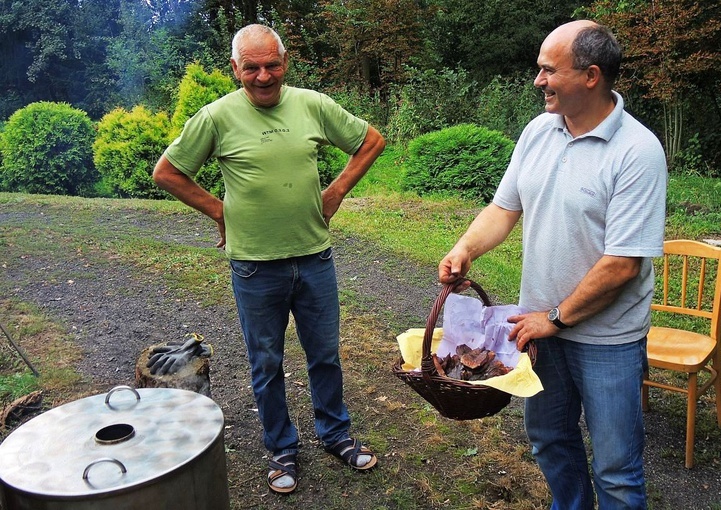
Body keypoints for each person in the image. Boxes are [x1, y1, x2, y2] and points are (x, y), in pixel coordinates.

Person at [438, 20, 667, 509]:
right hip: (537, 331)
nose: (538, 80)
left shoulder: (638, 151)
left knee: (617, 470)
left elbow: (623, 264)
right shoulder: (539, 131)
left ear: (591, 75)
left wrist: (555, 317)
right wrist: (465, 249)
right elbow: (504, 208)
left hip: (606, 340)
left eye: (548, 70)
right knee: (549, 442)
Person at [153, 24, 385, 494]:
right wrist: (221, 210)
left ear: (285, 64)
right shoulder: (216, 117)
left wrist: (336, 190)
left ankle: (335, 434)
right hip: (255, 265)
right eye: (252, 67)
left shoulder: (312, 105)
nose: (263, 76)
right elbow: (169, 172)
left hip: (314, 258)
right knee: (266, 362)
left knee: (325, 355)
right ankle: (281, 447)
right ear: (235, 68)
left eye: (272, 65)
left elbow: (371, 141)